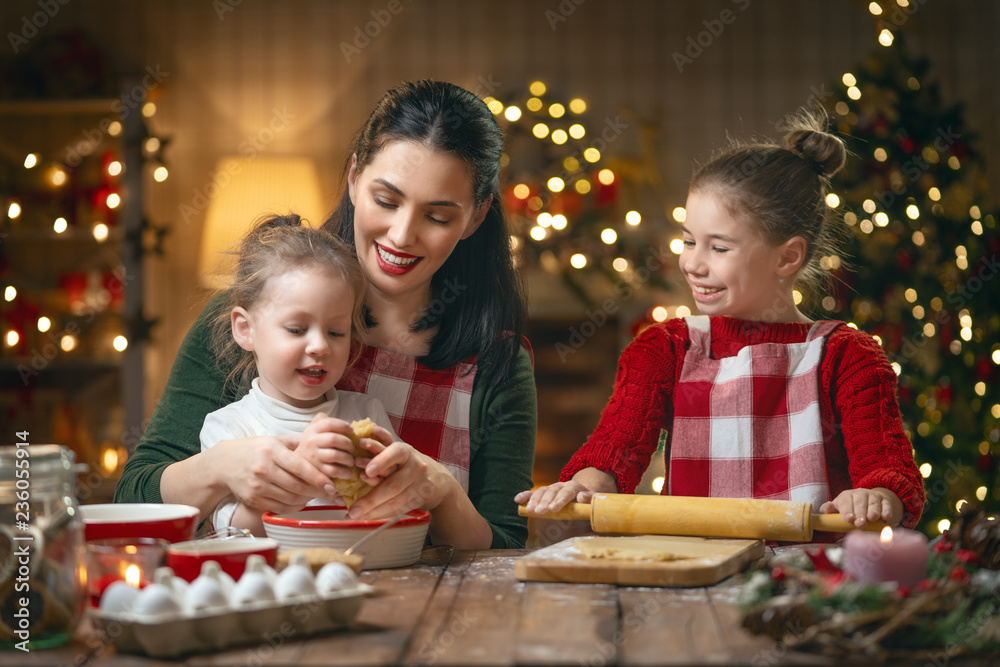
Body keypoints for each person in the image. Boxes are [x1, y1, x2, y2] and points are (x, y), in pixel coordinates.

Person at [115, 80, 536, 550]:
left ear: (476, 218)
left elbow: (505, 544)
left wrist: (442, 492)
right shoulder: (252, 318)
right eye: (386, 200)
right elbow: (134, 500)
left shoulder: (498, 362)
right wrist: (221, 467)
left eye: (437, 217)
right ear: (355, 179)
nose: (401, 235)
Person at [516, 110, 925, 533]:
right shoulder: (665, 349)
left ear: (787, 256)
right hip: (695, 577)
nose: (692, 263)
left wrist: (876, 497)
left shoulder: (846, 356)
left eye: (719, 248)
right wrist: (581, 485)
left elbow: (890, 475)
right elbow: (613, 453)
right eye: (689, 240)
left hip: (803, 585)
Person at [200, 214, 399, 536]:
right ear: (245, 329)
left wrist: (382, 476)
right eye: (297, 329)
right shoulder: (229, 426)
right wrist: (306, 475)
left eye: (336, 332)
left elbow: (396, 509)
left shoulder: (367, 413)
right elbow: (234, 530)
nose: (320, 346)